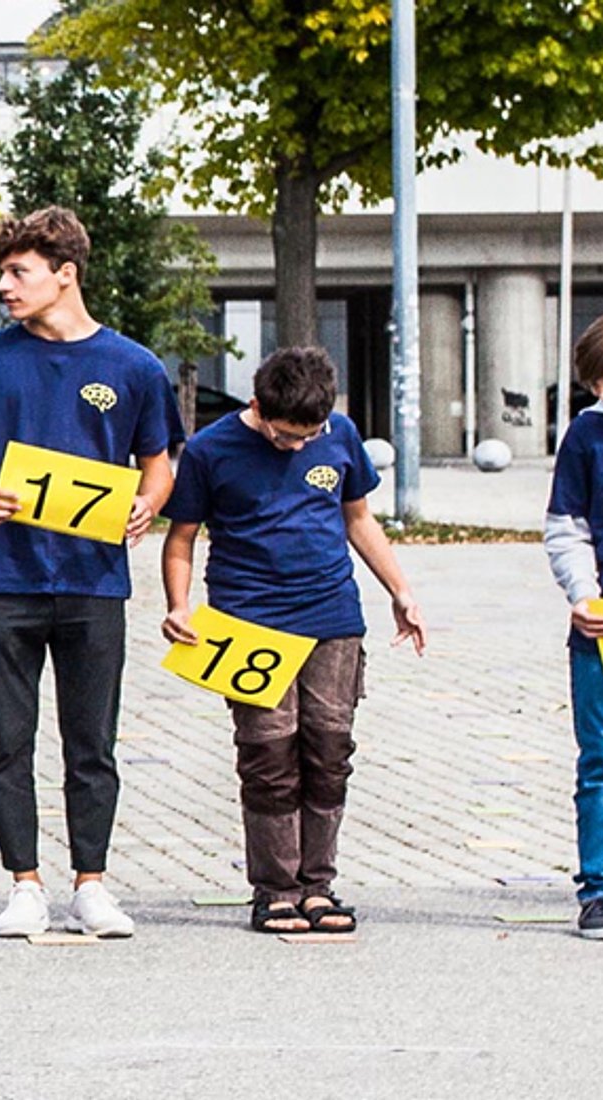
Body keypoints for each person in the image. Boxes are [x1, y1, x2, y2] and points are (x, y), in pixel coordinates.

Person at [0, 207, 183, 938]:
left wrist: (147, 505)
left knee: (90, 743)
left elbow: (159, 462)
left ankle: (92, 885)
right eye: (2, 273)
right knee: (7, 739)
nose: (2, 286)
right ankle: (24, 884)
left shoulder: (133, 366)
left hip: (93, 579)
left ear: (65, 275)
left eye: (17, 273)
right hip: (2, 578)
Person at [160, 346, 426, 935]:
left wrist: (400, 590)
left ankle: (318, 886)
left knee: (329, 752)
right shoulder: (211, 450)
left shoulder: (339, 435)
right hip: (249, 621)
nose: (297, 447)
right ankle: (276, 889)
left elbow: (358, 518)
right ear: (257, 406)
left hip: (332, 619)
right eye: (284, 437)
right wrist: (179, 606)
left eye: (309, 436)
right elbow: (181, 538)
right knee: (269, 755)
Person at [546, 305, 603, 940]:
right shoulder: (586, 436)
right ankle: (601, 889)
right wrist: (582, 593)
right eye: (602, 383)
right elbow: (566, 527)